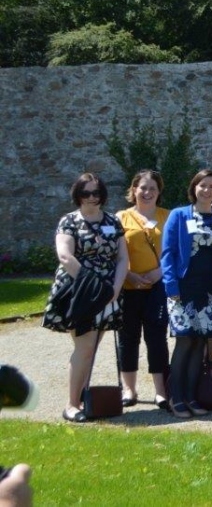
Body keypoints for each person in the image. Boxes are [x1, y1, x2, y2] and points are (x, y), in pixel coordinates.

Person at [43, 173, 129, 423]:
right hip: (80, 291)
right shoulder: (69, 221)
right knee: (85, 348)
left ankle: (81, 399)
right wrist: (93, 286)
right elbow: (65, 256)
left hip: (107, 293)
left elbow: (122, 258)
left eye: (96, 193)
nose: (92, 198)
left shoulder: (112, 221)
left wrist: (115, 289)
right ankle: (71, 405)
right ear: (78, 195)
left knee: (91, 348)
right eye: (86, 193)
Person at [160, 169, 212, 419]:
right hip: (182, 290)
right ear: (194, 187)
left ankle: (191, 397)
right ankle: (176, 397)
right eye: (203, 185)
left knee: (201, 343)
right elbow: (167, 254)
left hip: (210, 291)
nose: (207, 190)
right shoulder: (178, 215)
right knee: (185, 341)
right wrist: (171, 287)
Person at [115, 170, 170, 410]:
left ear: (159, 192)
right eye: (143, 188)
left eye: (152, 189)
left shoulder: (168, 216)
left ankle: (161, 390)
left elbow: (176, 251)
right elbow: (115, 253)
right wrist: (128, 274)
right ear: (134, 190)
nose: (147, 193)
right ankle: (129, 389)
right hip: (129, 286)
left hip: (158, 286)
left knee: (157, 337)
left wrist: (160, 272)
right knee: (128, 338)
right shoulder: (121, 217)